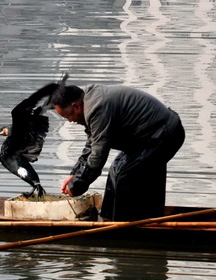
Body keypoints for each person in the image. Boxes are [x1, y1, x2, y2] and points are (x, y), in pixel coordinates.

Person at [51, 82, 185, 221]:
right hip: (146, 138)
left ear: (76, 106)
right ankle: (109, 218)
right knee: (116, 170)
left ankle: (124, 225)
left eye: (68, 117)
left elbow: (98, 156)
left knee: (124, 175)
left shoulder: (96, 107)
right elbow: (92, 144)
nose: (70, 121)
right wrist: (74, 174)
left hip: (165, 134)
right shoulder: (87, 99)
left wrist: (77, 186)